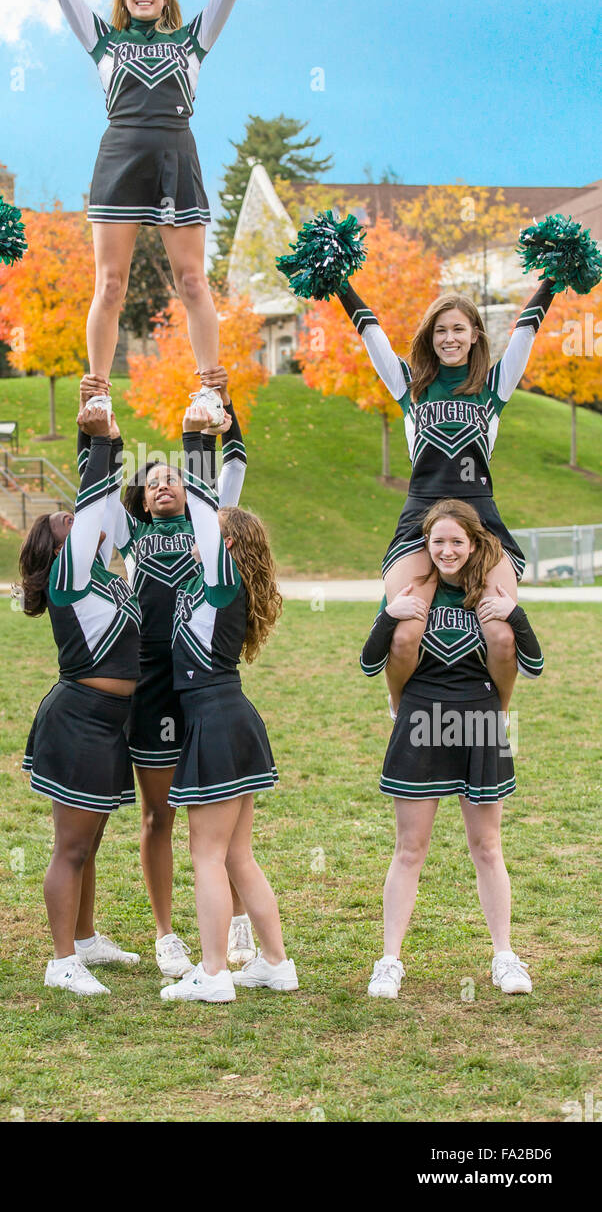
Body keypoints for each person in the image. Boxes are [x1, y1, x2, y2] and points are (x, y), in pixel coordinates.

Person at [13, 0, 280, 405]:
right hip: (119, 162)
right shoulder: (104, 42)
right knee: (110, 284)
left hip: (177, 160)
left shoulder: (192, 42)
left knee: (194, 280)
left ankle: (209, 391)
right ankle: (97, 392)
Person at [81, 368, 254, 977]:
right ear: (143, 497)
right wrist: (97, 434)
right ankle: (164, 933)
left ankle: (236, 924)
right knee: (159, 815)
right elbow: (98, 492)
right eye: (152, 482)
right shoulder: (128, 534)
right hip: (151, 681)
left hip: (204, 683)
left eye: (173, 479)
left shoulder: (212, 522)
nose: (163, 487)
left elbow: (232, 462)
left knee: (219, 814)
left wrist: (222, 407)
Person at [335, 278, 555, 712]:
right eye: (439, 330)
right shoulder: (410, 387)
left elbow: (526, 331)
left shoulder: (494, 387)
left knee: (500, 627)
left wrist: (552, 279)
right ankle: (399, 709)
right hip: (421, 516)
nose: (449, 338)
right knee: (407, 624)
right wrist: (340, 282)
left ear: (475, 335)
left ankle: (500, 715)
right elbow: (370, 333)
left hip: (481, 520)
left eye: (458, 329)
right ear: (429, 338)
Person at [360, 498, 544, 1000]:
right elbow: (368, 662)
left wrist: (516, 613)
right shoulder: (411, 591)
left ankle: (504, 955)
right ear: (427, 545)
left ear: (474, 543)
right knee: (410, 849)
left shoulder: (491, 593)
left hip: (481, 720)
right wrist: (388, 615)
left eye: (456, 541)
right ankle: (390, 960)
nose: (446, 550)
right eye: (437, 541)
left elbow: (535, 663)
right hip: (421, 717)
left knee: (487, 847)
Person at [159, 403, 297, 1003]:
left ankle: (213, 973)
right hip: (228, 719)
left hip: (218, 722)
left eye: (206, 526)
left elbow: (198, 502)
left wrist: (195, 436)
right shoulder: (209, 584)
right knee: (237, 854)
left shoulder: (220, 579)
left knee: (208, 854)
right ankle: (275, 963)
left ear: (227, 540)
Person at [17, 403, 142, 996]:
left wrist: (103, 433)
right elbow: (95, 500)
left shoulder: (107, 575)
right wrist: (98, 445)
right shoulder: (70, 580)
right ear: (56, 552)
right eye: (67, 524)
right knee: (71, 845)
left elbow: (104, 506)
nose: (82, 524)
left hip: (113, 722)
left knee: (90, 839)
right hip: (80, 720)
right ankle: (61, 959)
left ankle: (87, 939)